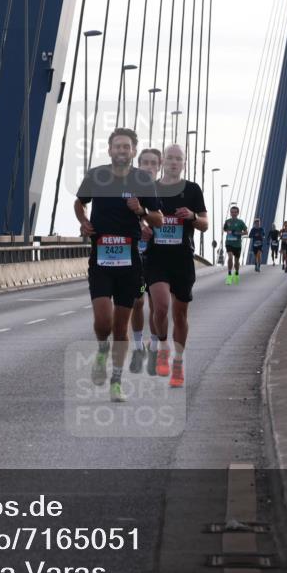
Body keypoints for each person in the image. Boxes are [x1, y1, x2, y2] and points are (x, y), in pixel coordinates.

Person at [74, 128, 163, 402]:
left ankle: (116, 381)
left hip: (129, 262)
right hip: (100, 259)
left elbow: (158, 219)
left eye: (127, 147)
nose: (122, 151)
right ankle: (102, 352)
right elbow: (80, 203)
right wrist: (83, 221)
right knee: (103, 321)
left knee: (121, 328)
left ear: (134, 151)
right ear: (110, 149)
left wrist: (141, 212)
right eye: (117, 146)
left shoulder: (142, 180)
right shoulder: (96, 176)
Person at [144, 144, 208, 388]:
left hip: (182, 259)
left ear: (184, 163)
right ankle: (162, 347)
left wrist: (192, 216)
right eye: (169, 158)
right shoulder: (151, 188)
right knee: (160, 306)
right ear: (162, 162)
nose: (173, 162)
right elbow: (139, 216)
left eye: (177, 159)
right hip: (156, 258)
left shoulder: (192, 190)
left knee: (180, 315)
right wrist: (144, 229)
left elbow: (205, 224)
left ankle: (178, 363)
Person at [130, 147, 162, 375]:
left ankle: (155, 347)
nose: (149, 168)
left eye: (154, 164)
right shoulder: (129, 190)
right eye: (145, 163)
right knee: (137, 302)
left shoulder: (165, 191)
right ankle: (138, 345)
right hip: (136, 255)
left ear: (159, 167)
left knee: (157, 305)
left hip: (160, 257)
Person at [222, 206, 247, 285]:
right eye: (232, 212)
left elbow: (246, 232)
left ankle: (236, 273)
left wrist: (238, 233)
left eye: (235, 212)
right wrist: (228, 231)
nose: (233, 213)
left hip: (237, 244)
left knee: (236, 262)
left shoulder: (240, 222)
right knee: (230, 257)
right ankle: (229, 275)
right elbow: (225, 229)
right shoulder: (227, 221)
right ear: (230, 213)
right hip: (229, 243)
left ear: (237, 213)